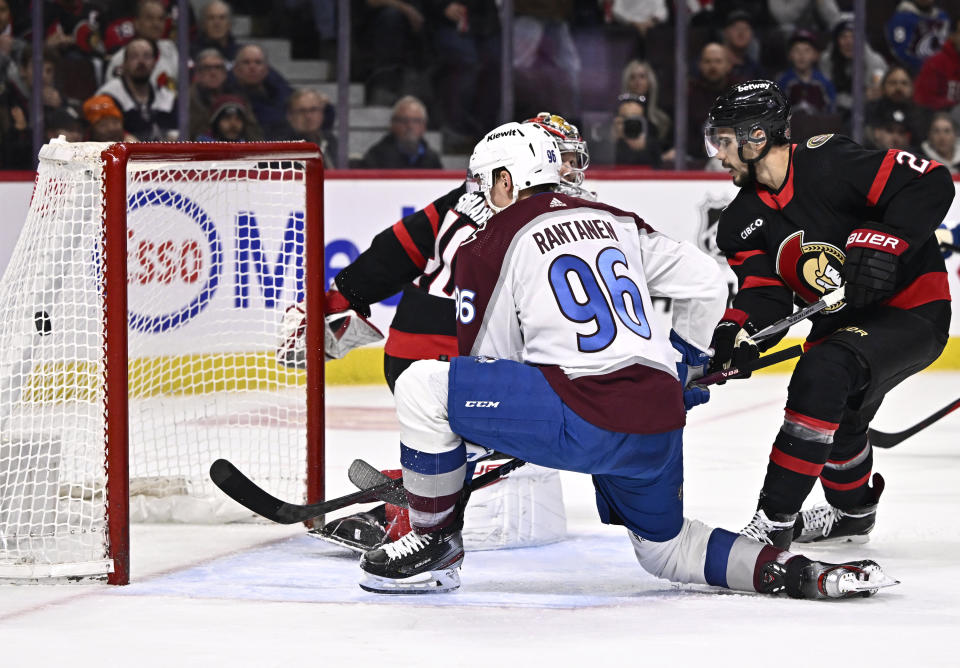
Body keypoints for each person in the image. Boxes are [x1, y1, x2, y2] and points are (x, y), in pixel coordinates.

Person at [356, 120, 896, 600]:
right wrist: (684, 366)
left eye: (484, 182)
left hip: (580, 411)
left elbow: (495, 367)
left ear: (506, 180)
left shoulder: (485, 242)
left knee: (423, 387)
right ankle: (800, 573)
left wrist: (443, 469)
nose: (479, 195)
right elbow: (708, 283)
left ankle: (434, 543)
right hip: (657, 415)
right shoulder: (612, 216)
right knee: (667, 550)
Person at [290, 113, 593, 551]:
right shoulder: (540, 215)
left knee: (477, 439)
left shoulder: (466, 195)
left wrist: (343, 295)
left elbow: (395, 250)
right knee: (496, 444)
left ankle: (417, 486)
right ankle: (407, 510)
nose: (568, 169)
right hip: (456, 353)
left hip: (411, 353)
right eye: (559, 157)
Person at [703, 80, 952, 549]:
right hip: (844, 322)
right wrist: (736, 332)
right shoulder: (738, 223)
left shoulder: (828, 160)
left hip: (912, 308)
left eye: (724, 139)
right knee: (841, 415)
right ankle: (853, 513)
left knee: (823, 371)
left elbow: (929, 180)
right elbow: (765, 296)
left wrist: (884, 240)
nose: (718, 152)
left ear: (757, 138)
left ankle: (774, 521)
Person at [95, 36, 177, 141]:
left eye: (147, 56)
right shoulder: (108, 95)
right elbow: (101, 135)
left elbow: (176, 132)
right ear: (124, 63)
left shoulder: (166, 97)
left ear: (154, 63)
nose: (141, 61)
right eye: (134, 56)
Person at [104, 0, 178, 91]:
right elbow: (113, 97)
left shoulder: (170, 49)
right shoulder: (120, 60)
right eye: (149, 18)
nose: (156, 24)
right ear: (136, 23)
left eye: (161, 19)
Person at [358, 95, 443, 169]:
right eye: (404, 120)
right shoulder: (376, 157)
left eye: (416, 121)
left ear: (424, 126)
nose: (410, 126)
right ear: (392, 124)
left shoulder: (432, 159)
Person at [229, 43, 292, 139]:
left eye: (258, 62)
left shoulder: (281, 94)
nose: (252, 67)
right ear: (236, 69)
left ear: (266, 70)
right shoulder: (226, 97)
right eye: (246, 62)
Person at [776, 30, 836, 116]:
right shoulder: (783, 82)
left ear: (816, 55)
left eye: (807, 50)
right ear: (790, 55)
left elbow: (831, 111)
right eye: (797, 50)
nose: (802, 55)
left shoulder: (824, 82)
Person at [886, 0, 950, 75]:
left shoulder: (943, 17)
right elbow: (899, 50)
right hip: (911, 71)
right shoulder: (901, 18)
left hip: (942, 71)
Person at [281, 88, 338, 168]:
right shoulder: (283, 147)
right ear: (290, 116)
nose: (308, 116)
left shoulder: (330, 139)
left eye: (313, 109)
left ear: (322, 113)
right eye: (301, 111)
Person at [913, 17, 960, 111]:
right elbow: (924, 99)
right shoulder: (936, 63)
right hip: (943, 117)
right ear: (952, 36)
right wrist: (954, 106)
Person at [612, 93, 662, 167]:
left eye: (634, 117)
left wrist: (642, 150)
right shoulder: (606, 144)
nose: (630, 123)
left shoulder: (651, 144)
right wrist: (612, 141)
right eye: (624, 117)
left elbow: (657, 170)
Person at [196, 93, 261, 141]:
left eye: (238, 119)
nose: (233, 124)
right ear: (215, 122)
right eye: (227, 118)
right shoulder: (200, 148)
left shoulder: (248, 149)